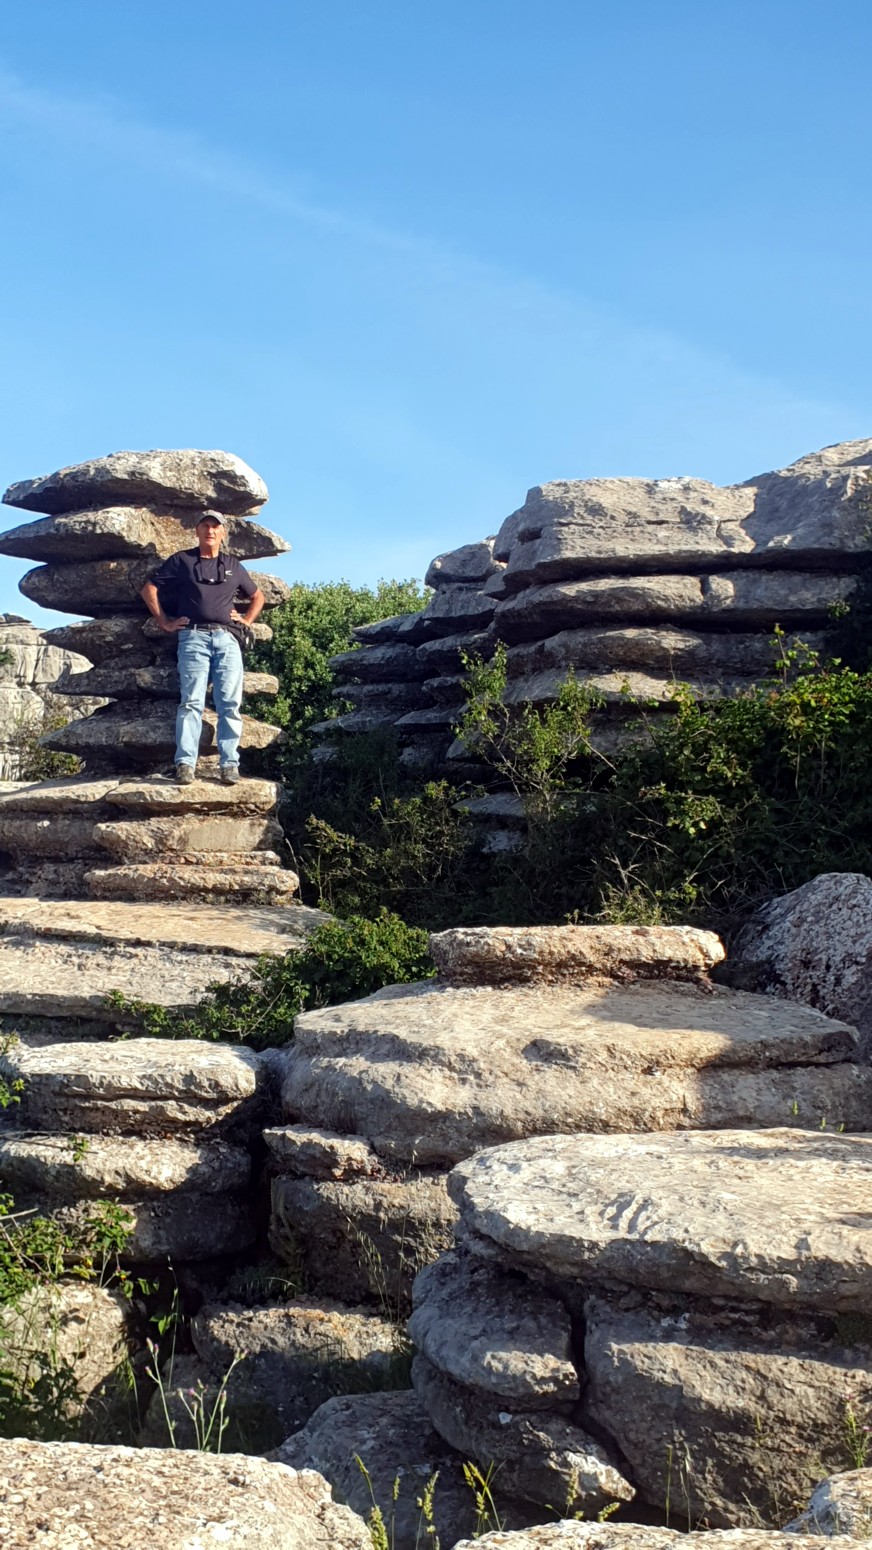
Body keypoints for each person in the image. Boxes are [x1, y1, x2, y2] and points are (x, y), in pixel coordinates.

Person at [140, 512, 265, 785]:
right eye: (205, 526)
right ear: (196, 531)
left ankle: (229, 765)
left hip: (227, 639)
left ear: (223, 533)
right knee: (191, 702)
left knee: (229, 703)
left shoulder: (232, 565)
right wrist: (164, 621)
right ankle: (185, 765)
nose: (210, 531)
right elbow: (149, 589)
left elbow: (257, 596)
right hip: (193, 637)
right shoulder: (182, 561)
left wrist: (246, 620)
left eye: (215, 527)